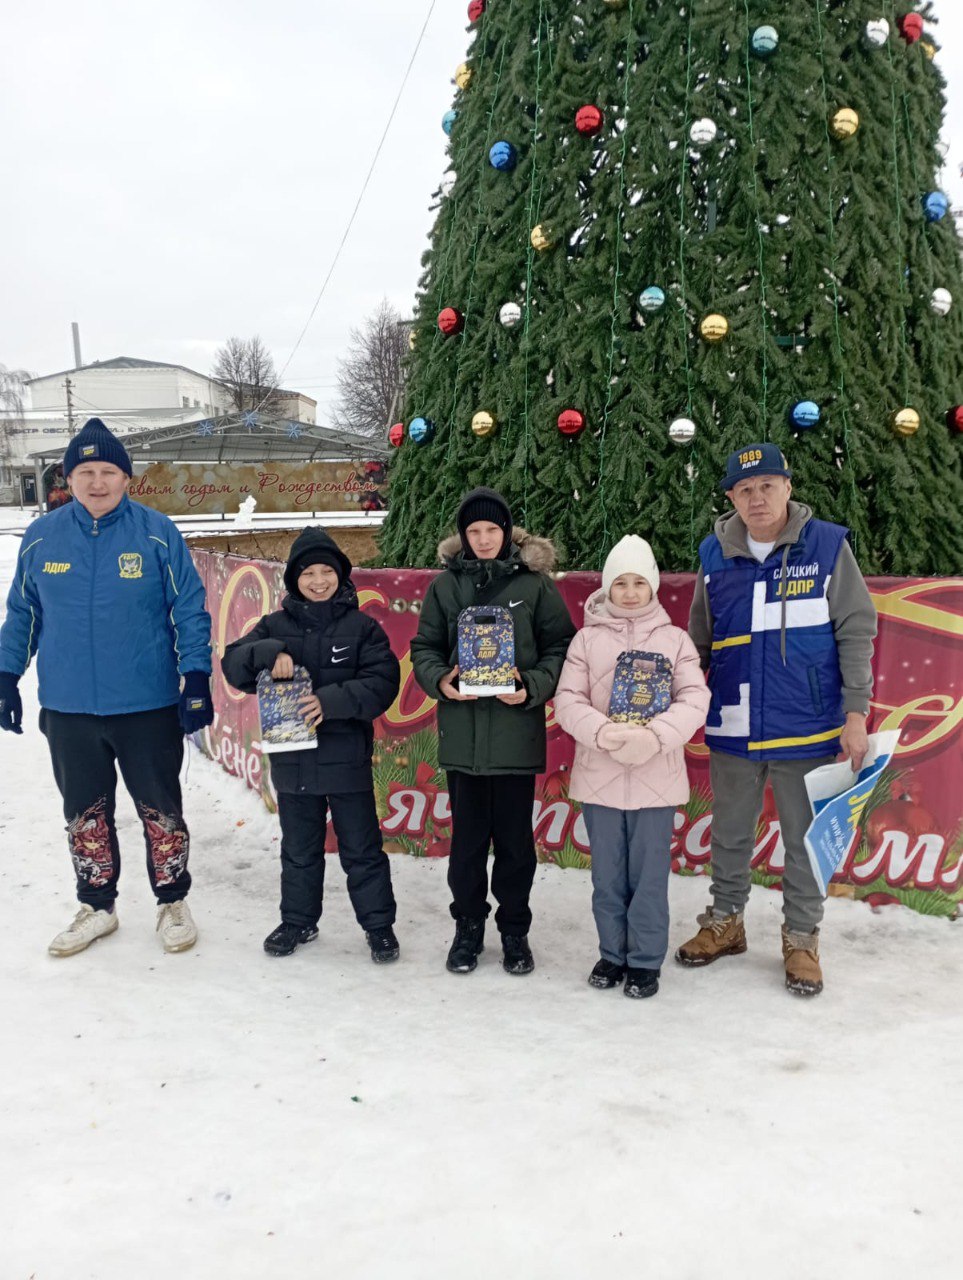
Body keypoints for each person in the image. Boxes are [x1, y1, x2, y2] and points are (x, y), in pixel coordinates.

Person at [0, 418, 214, 956]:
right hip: (69, 707)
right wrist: (6, 676)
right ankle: (97, 905)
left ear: (126, 478)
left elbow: (189, 609)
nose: (97, 482)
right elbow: (23, 614)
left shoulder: (156, 532)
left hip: (147, 703)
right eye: (86, 472)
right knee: (84, 814)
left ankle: (172, 901)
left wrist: (195, 676)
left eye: (109, 472)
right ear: (68, 478)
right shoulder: (42, 537)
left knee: (161, 809)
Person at [676, 443, 877, 996]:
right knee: (730, 832)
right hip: (735, 722)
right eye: (744, 489)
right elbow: (699, 641)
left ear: (788, 486)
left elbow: (856, 629)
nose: (757, 498)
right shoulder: (714, 554)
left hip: (807, 724)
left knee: (804, 839)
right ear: (731, 498)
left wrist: (855, 713)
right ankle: (725, 921)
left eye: (767, 485)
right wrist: (676, 704)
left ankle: (802, 937)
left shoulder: (827, 546)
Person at [411, 487, 576, 976]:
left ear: (506, 532)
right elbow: (425, 646)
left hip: (514, 739)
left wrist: (532, 685)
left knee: (515, 847)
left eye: (491, 530)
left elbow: (561, 647)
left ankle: (514, 931)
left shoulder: (535, 586)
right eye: (474, 531)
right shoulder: (445, 587)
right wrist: (440, 680)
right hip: (463, 741)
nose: (483, 539)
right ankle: (468, 928)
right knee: (465, 848)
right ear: (463, 536)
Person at [221, 527, 401, 961]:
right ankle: (298, 921)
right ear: (294, 579)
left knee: (362, 852)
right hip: (293, 763)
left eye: (327, 571)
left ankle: (379, 927)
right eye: (308, 573)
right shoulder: (274, 626)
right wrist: (268, 652)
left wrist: (329, 701)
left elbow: (382, 683)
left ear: (341, 575)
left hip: (346, 762)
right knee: (299, 851)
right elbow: (233, 664)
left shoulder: (362, 628)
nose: (319, 581)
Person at [554, 536, 710, 998]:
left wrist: (654, 737)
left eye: (639, 582)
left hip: (655, 779)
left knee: (649, 878)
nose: (629, 592)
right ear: (607, 587)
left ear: (653, 586)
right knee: (607, 876)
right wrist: (603, 733)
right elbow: (568, 700)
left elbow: (694, 698)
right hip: (599, 778)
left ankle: (644, 960)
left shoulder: (675, 640)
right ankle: (611, 953)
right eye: (620, 583)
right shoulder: (585, 640)